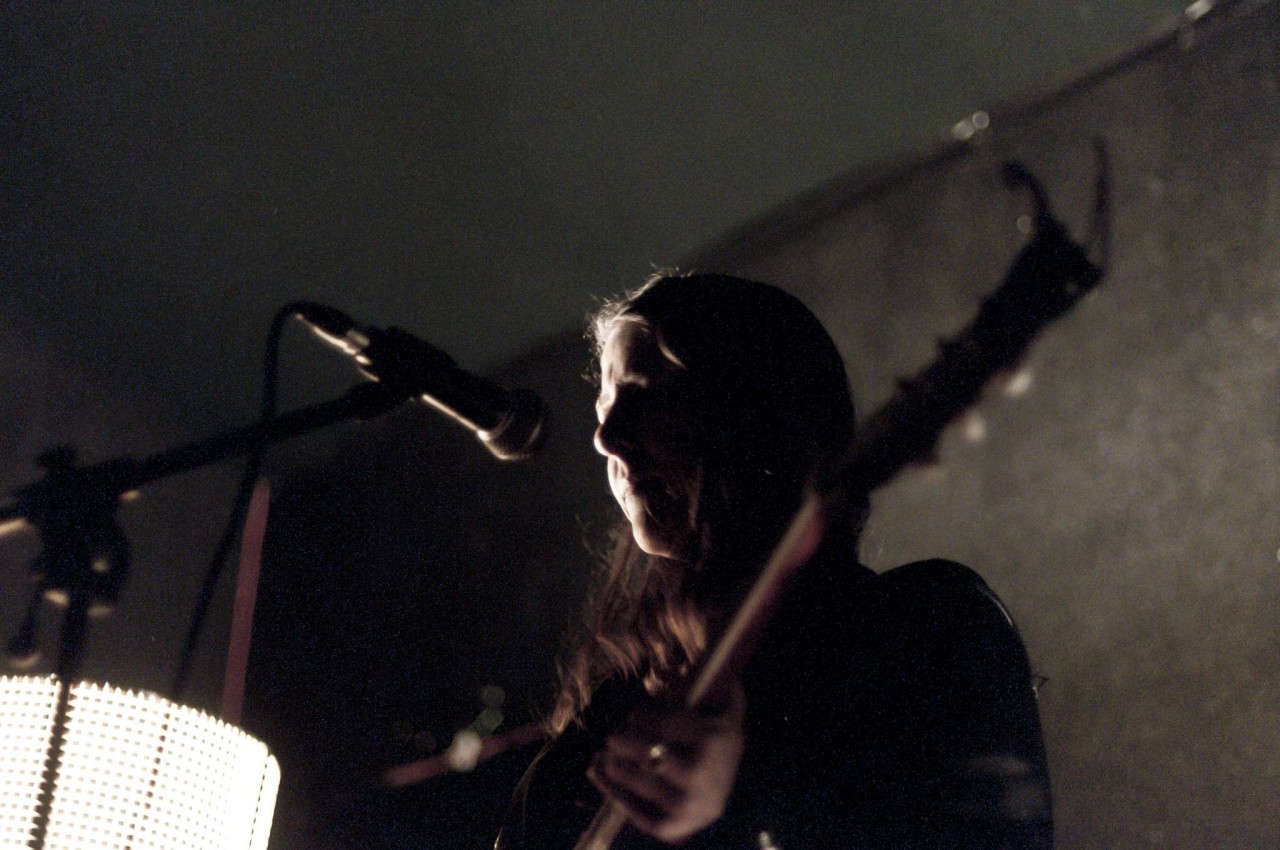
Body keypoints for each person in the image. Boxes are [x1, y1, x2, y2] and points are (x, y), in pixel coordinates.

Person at [496, 272, 1052, 849]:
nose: (606, 438)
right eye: (606, 405)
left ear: (757, 415)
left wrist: (745, 799)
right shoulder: (608, 718)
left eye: (648, 396)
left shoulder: (925, 629)